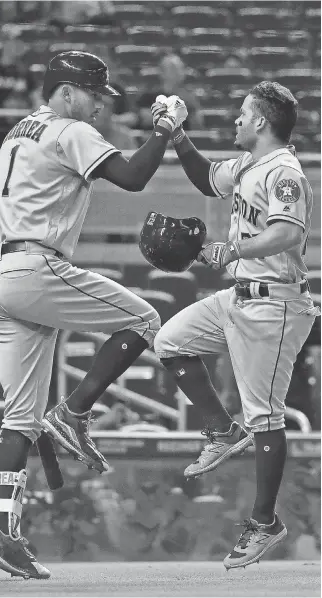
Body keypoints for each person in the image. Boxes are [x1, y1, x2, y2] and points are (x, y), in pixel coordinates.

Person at [0, 50, 187, 579]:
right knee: (143, 318)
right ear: (66, 92)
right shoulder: (68, 127)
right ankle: (72, 414)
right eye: (93, 94)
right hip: (33, 268)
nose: (99, 105)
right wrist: (164, 130)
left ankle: (4, 534)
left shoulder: (17, 132)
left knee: (19, 420)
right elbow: (134, 177)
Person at [151, 81, 319, 569]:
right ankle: (221, 431)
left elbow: (288, 231)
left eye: (244, 113)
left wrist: (235, 249)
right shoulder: (248, 163)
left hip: (275, 306)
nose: (237, 119)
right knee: (170, 340)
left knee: (265, 416)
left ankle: (266, 522)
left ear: (263, 122)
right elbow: (207, 179)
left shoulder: (284, 170)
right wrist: (179, 136)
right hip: (238, 297)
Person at [136, 53, 203, 132]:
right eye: (173, 68)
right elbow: (144, 119)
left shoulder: (189, 99)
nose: (178, 72)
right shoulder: (148, 97)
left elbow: (197, 126)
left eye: (180, 68)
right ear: (162, 73)